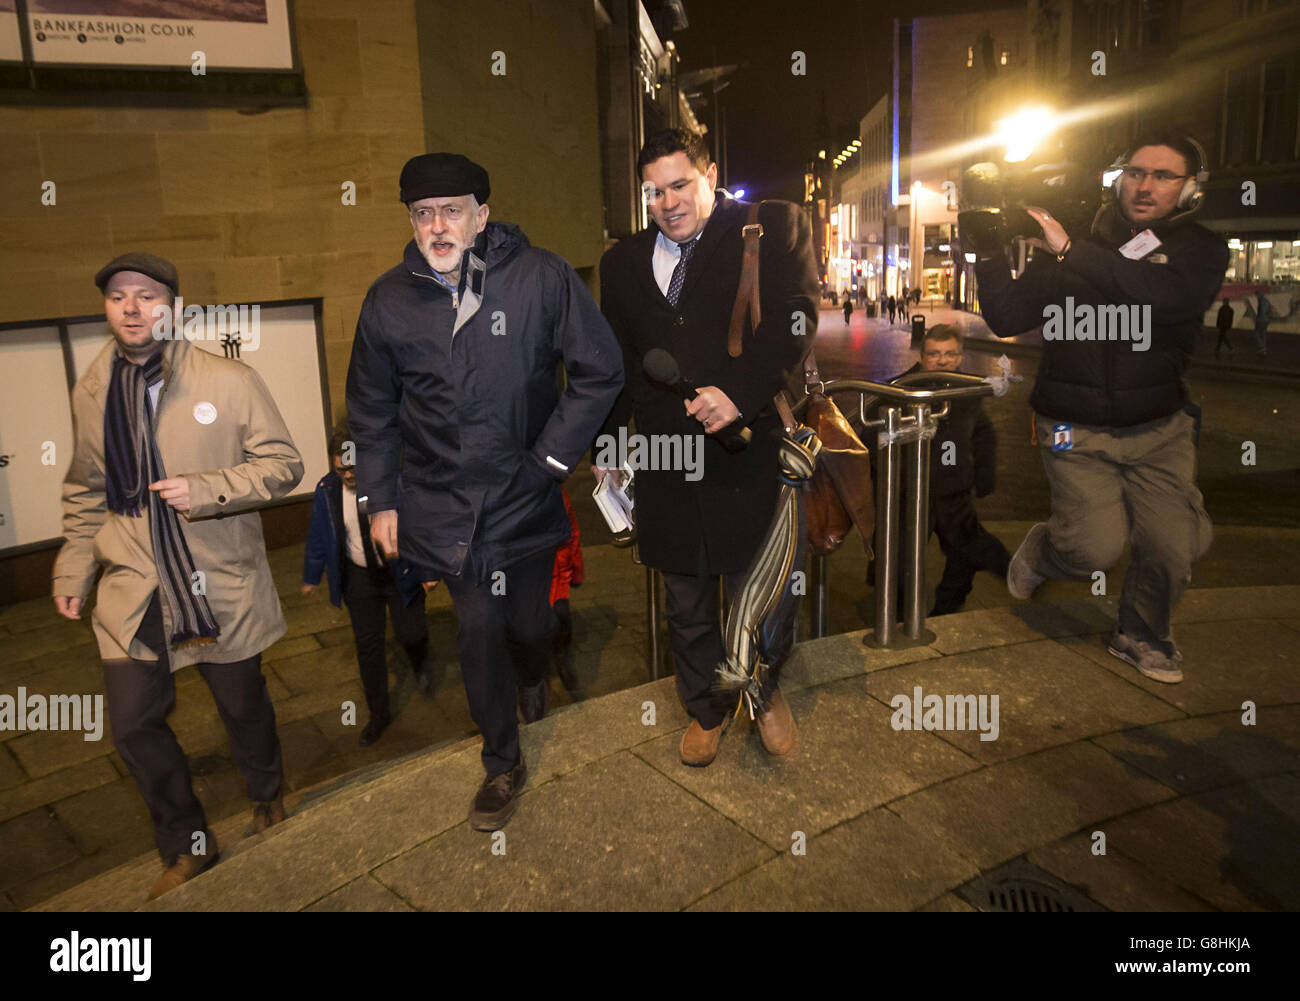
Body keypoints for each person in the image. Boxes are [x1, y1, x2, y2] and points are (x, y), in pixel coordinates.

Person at [346, 153, 623, 832]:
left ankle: (534, 674)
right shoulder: (388, 300)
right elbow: (372, 409)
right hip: (445, 509)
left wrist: (551, 459)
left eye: (451, 210)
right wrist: (380, 500)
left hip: (525, 495)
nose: (437, 225)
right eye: (422, 213)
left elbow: (600, 370)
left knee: (529, 625)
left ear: (482, 215)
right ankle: (501, 760)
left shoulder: (542, 277)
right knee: (476, 629)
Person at [53, 252, 303, 900]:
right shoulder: (92, 391)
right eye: (118, 295)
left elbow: (283, 464)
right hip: (132, 582)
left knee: (242, 705)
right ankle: (190, 842)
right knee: (133, 724)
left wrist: (207, 487)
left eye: (147, 294)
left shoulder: (228, 379)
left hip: (213, 575)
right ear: (107, 308)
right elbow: (85, 488)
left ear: (175, 306)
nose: (132, 306)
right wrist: (75, 565)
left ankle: (268, 793)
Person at [970, 132, 1228, 684]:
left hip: (1160, 427)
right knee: (1092, 548)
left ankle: (1141, 632)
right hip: (1071, 425)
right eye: (1136, 172)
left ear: (1189, 189)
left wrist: (1069, 251)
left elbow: (1165, 297)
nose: (1145, 185)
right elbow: (1009, 316)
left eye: (1163, 176)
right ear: (1119, 177)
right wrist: (984, 252)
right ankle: (1045, 550)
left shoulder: (1200, 249)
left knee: (1175, 545)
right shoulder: (1073, 236)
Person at [597, 128, 819, 767]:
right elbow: (617, 361)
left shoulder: (768, 230)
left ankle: (764, 692)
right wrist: (611, 442)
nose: (668, 202)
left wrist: (741, 392)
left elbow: (795, 322)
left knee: (760, 588)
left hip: (746, 448)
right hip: (666, 456)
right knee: (685, 598)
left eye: (680, 184)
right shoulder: (622, 263)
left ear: (710, 175)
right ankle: (705, 707)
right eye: (654, 191)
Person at [302, 423, 433, 747]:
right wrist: (311, 576)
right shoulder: (326, 490)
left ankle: (421, 662)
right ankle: (378, 714)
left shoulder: (392, 482)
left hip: (398, 572)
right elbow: (320, 534)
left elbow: (421, 527)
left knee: (411, 632)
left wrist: (428, 570)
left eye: (353, 468)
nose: (347, 475)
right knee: (368, 648)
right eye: (341, 469)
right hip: (358, 578)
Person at [876, 325, 1010, 615]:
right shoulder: (899, 389)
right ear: (923, 356)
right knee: (900, 559)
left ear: (960, 356)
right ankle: (898, 615)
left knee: (964, 550)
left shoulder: (967, 390)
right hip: (911, 490)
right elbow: (875, 437)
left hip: (954, 490)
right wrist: (880, 483)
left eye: (950, 354)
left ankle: (948, 608)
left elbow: (983, 430)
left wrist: (984, 473)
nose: (943, 360)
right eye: (935, 354)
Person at [1251, 289, 1272, 357]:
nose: (1256, 297)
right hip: (1266, 320)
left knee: (1256, 333)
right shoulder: (1266, 300)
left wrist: (1258, 319)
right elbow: (1269, 311)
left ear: (1258, 295)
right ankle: (1264, 348)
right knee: (1263, 334)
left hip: (1261, 320)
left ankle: (1262, 347)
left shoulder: (1261, 301)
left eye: (1256, 295)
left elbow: (1262, 312)